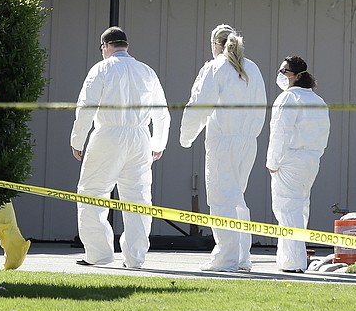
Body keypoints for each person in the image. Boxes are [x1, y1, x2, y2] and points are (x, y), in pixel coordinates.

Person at [70, 26, 170, 269]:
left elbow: (87, 106)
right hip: (140, 138)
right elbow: (162, 112)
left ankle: (98, 253)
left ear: (105, 46)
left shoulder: (101, 69)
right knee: (138, 198)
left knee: (92, 192)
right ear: (126, 45)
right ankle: (135, 257)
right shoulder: (147, 71)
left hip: (108, 134)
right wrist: (158, 143)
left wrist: (77, 140)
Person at [180, 24, 266, 272]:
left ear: (215, 44)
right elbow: (261, 106)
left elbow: (198, 105)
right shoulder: (253, 69)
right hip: (248, 142)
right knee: (237, 197)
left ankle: (226, 258)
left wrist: (186, 136)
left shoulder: (215, 67)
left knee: (221, 199)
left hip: (223, 140)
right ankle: (241, 257)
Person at [266, 55, 330, 273]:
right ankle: (288, 260)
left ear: (297, 76)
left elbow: (279, 133)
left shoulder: (288, 98)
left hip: (290, 159)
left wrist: (272, 161)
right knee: (300, 208)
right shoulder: (318, 101)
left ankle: (293, 262)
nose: (281, 75)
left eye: (285, 71)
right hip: (310, 160)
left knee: (286, 209)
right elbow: (324, 134)